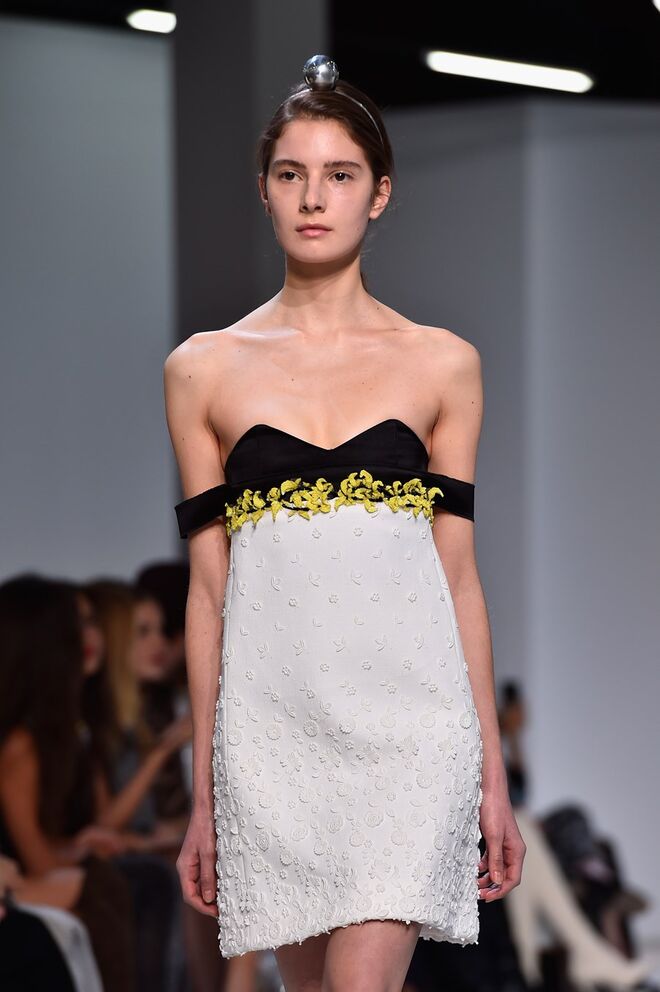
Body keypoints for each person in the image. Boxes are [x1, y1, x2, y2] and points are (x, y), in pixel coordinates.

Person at [163, 53, 526, 992]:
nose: (313, 197)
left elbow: (457, 577)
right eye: (291, 174)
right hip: (274, 734)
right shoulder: (202, 369)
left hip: (411, 731)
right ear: (265, 191)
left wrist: (491, 776)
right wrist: (205, 791)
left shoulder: (442, 363)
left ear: (380, 194)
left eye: (340, 174)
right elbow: (208, 593)